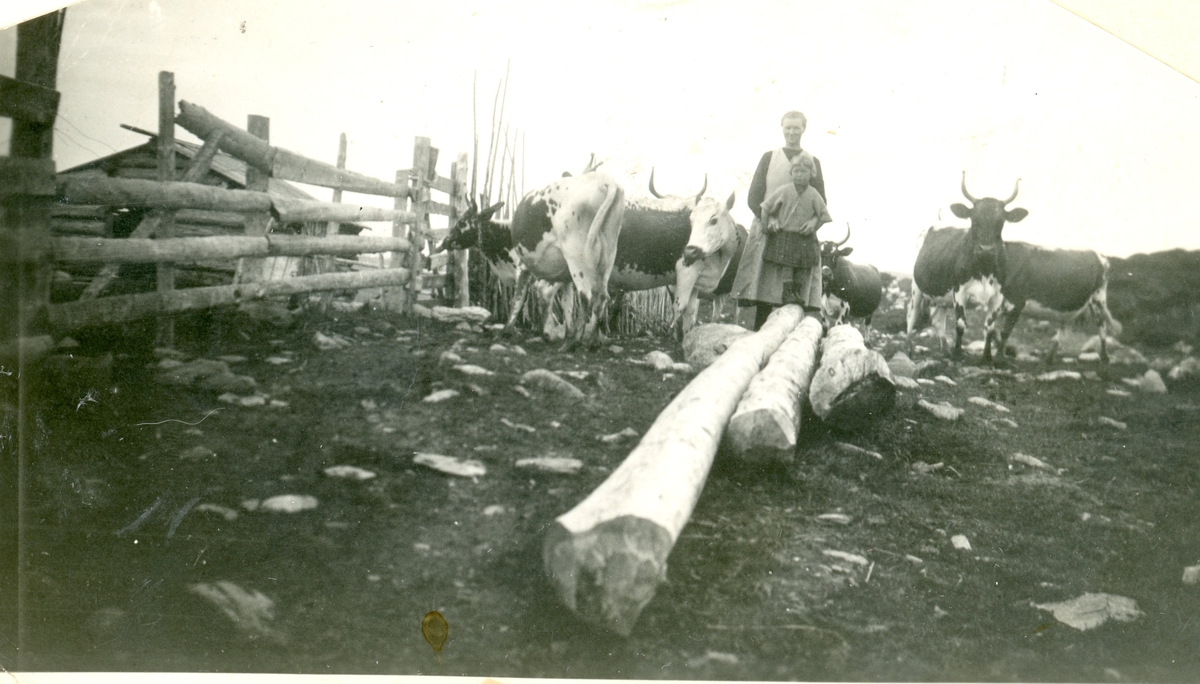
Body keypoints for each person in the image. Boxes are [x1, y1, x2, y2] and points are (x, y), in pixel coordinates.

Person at [732, 111, 830, 330]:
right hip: (769, 228)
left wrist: (814, 223)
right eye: (788, 127)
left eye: (796, 128)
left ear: (804, 129)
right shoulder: (769, 157)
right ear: (782, 128)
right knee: (764, 286)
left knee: (796, 289)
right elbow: (754, 196)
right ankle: (759, 334)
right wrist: (770, 218)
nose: (792, 132)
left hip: (799, 234)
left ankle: (791, 337)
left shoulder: (812, 161)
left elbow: (821, 201)